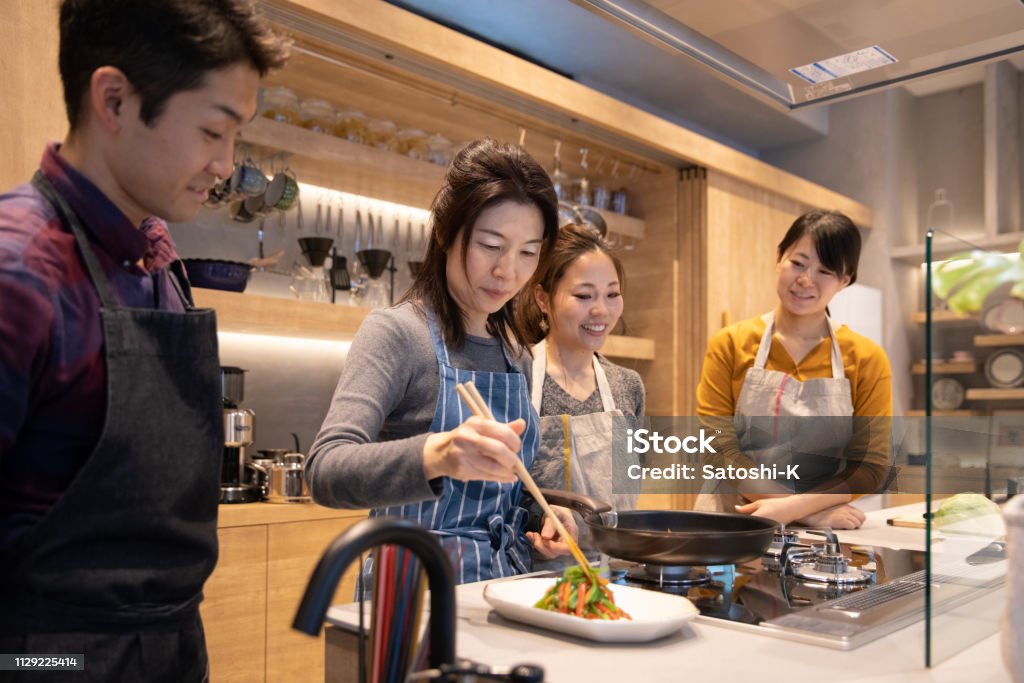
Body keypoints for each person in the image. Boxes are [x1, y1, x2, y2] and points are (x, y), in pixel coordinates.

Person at [0, 1, 288, 679]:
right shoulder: (19, 272)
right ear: (115, 99)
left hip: (169, 651)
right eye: (214, 132)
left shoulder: (156, 264)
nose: (226, 165)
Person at [307, 138, 577, 585]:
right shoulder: (397, 333)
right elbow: (325, 470)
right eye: (491, 245)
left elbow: (499, 493)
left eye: (528, 252)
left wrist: (542, 514)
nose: (508, 272)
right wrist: (439, 453)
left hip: (503, 587)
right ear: (444, 232)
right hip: (412, 593)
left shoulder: (515, 352)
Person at [695, 209, 892, 530]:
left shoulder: (867, 358)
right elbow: (718, 448)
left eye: (825, 271)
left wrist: (796, 508)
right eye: (797, 263)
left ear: (845, 280)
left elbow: (869, 466)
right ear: (778, 258)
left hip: (826, 531)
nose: (805, 280)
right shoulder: (731, 343)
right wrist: (806, 513)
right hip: (734, 521)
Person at [522, 223, 645, 512]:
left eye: (612, 294)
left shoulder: (628, 385)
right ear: (543, 298)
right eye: (583, 296)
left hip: (612, 556)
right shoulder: (516, 377)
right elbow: (495, 491)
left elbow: (631, 489)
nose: (601, 310)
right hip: (531, 556)